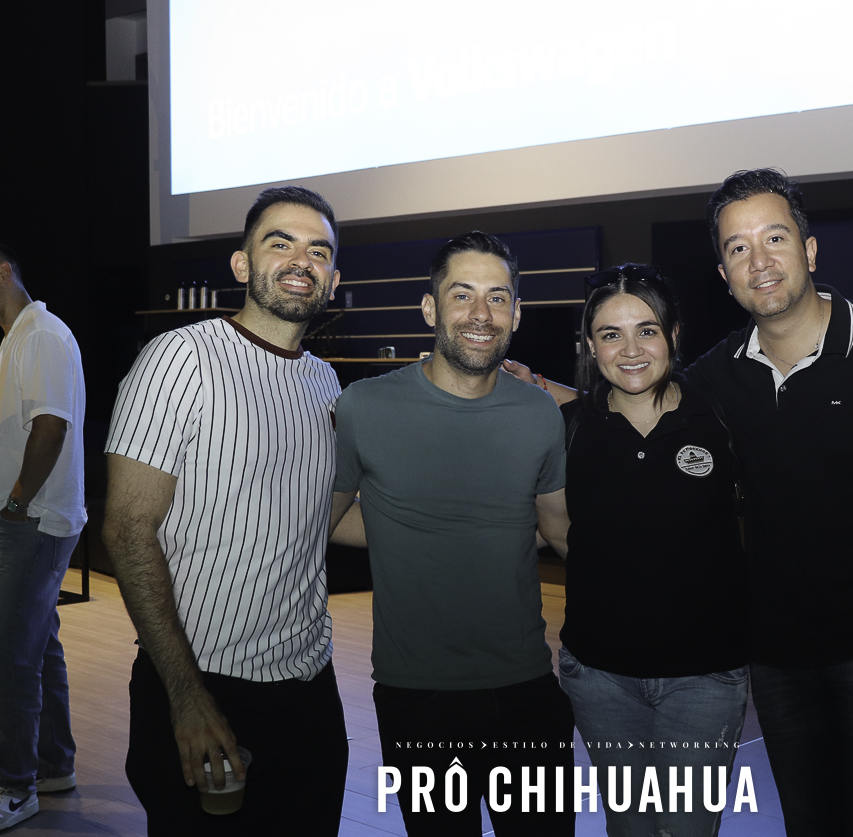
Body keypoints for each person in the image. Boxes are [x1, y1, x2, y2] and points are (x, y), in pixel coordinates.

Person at [506, 168, 853, 836]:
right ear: (724, 275)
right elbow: (637, 391)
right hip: (774, 652)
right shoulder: (718, 378)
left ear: (810, 250)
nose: (760, 260)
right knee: (807, 823)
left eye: (774, 238)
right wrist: (539, 389)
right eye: (738, 247)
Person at [101, 186, 352, 835]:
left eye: (319, 250)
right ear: (242, 264)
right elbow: (127, 530)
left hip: (310, 684)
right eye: (281, 242)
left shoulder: (325, 383)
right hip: (202, 681)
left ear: (333, 279)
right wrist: (187, 696)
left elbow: (314, 518)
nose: (301, 260)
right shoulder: (181, 358)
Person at [330, 231, 575, 837]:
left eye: (498, 297)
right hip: (418, 697)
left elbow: (557, 530)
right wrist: (411, 530)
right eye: (462, 295)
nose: (480, 314)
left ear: (517, 313)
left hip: (527, 686)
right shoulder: (363, 407)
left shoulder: (539, 412)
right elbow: (326, 519)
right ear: (430, 308)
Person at [555, 265, 748, 837]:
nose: (631, 350)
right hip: (600, 677)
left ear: (674, 334)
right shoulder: (567, 429)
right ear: (591, 346)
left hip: (705, 677)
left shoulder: (720, 417)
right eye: (610, 334)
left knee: (689, 828)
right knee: (630, 826)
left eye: (647, 330)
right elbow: (560, 532)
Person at [0, 243, 85, 834]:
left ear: (4, 272)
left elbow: (51, 426)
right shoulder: (19, 337)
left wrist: (16, 504)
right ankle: (50, 766)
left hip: (33, 521)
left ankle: (17, 786)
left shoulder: (40, 334)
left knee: (6, 658)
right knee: (37, 648)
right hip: (23, 521)